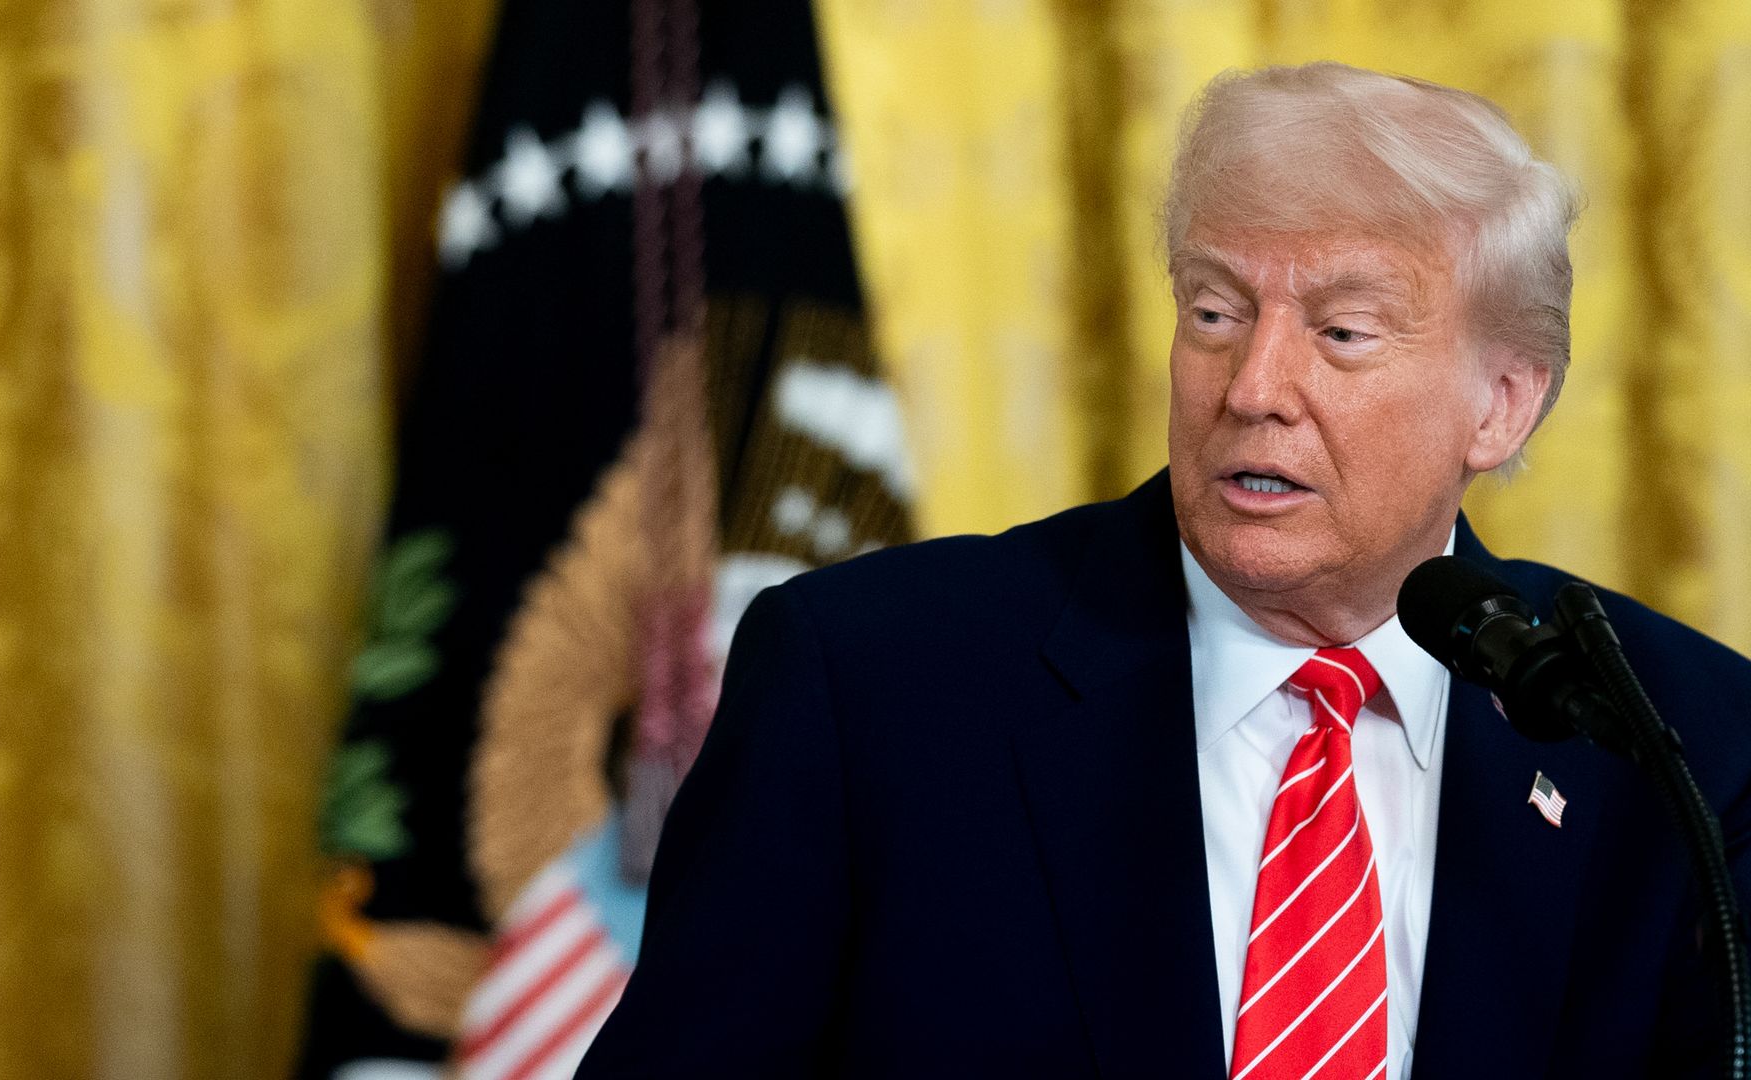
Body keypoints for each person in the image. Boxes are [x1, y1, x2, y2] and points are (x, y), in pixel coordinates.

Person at [575, 62, 1751, 1078]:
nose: (1251, 387)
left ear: (1501, 404)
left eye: (1341, 334)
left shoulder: (1680, 743)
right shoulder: (870, 685)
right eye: (1214, 312)